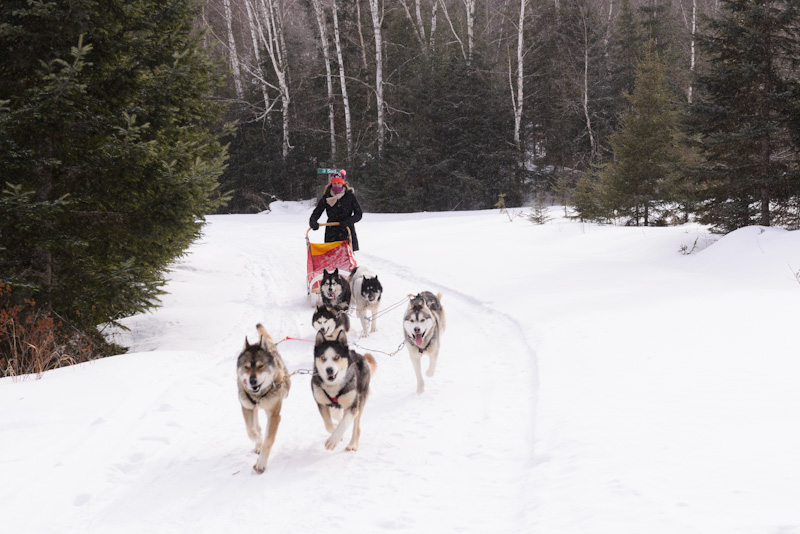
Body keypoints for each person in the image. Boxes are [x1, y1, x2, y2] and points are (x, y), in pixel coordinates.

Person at [309, 170, 363, 251]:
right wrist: (313, 221)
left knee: (347, 257)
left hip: (347, 230)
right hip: (332, 230)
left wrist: (347, 221)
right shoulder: (327, 196)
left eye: (339, 183)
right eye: (334, 183)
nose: (336, 185)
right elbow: (317, 211)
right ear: (331, 184)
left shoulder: (350, 196)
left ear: (343, 183)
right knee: (332, 257)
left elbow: (358, 214)